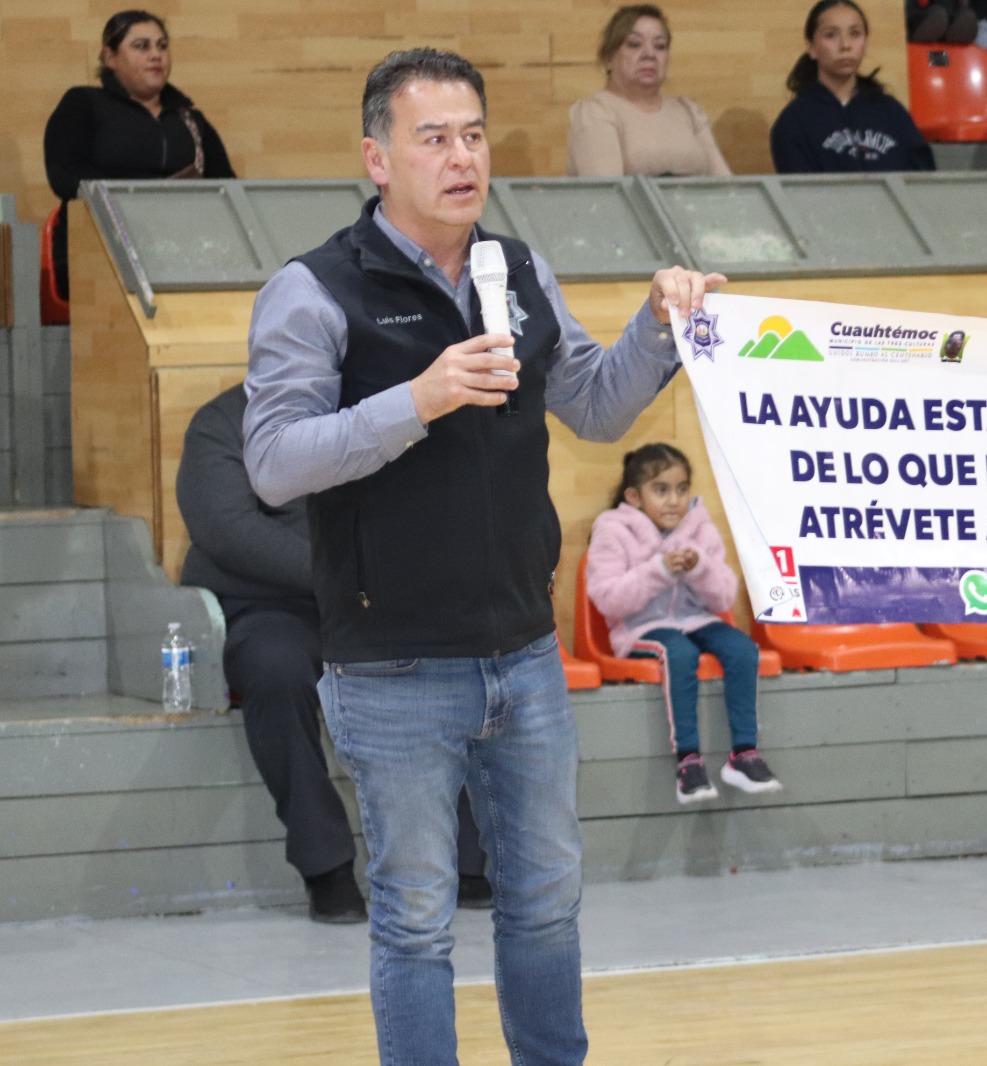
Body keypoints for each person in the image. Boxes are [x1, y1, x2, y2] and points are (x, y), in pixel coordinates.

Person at [242, 47, 724, 1064]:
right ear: (377, 158)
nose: (462, 158)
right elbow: (275, 464)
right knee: (417, 918)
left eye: (473, 135)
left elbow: (595, 407)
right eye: (433, 138)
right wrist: (417, 399)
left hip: (524, 653)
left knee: (546, 901)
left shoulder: (520, 269)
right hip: (392, 664)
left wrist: (658, 328)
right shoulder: (313, 289)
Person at [177, 383, 496, 924]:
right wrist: (350, 578)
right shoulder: (223, 421)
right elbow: (227, 529)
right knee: (276, 668)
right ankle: (325, 866)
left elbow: (427, 501)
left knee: (448, 656)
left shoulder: (376, 403)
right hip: (272, 607)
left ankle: (464, 858)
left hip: (374, 602)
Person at [586, 443, 783, 805]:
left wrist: (699, 569)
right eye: (661, 490)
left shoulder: (700, 527)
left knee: (742, 649)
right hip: (640, 628)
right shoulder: (612, 530)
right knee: (679, 652)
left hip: (696, 621)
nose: (674, 501)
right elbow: (608, 598)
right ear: (634, 496)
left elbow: (723, 598)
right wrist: (660, 570)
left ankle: (744, 754)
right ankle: (688, 761)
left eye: (681, 489)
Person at [42, 9, 234, 300]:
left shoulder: (190, 120)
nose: (156, 55)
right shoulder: (83, 103)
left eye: (162, 46)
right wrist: (140, 198)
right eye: (141, 46)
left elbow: (227, 188)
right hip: (102, 248)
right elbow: (65, 176)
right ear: (110, 57)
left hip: (183, 249)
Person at [566, 5, 733, 178]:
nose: (650, 54)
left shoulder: (688, 111)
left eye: (659, 46)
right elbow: (609, 191)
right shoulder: (596, 111)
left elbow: (727, 186)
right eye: (634, 44)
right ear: (608, 58)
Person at [770, 0, 935, 173]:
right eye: (831, 35)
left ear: (866, 43)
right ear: (811, 47)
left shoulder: (892, 113)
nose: (845, 45)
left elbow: (924, 179)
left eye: (855, 34)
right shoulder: (793, 122)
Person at [906, 0, 983, 44]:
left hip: (950, 13)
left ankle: (948, 36)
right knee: (938, 17)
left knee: (966, 19)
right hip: (923, 12)